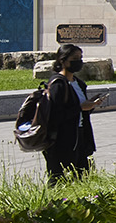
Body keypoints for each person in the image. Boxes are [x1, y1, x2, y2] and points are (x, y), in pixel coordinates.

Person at [40, 43, 104, 185]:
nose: (79, 61)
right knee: (58, 179)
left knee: (83, 177)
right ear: (63, 60)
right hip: (62, 139)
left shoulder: (79, 84)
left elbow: (81, 111)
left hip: (81, 135)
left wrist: (91, 105)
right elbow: (55, 114)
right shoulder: (57, 84)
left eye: (80, 58)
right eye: (75, 58)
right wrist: (81, 108)